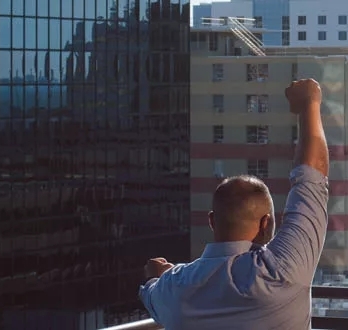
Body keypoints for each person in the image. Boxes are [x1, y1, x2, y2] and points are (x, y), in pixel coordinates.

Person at [138, 79, 331, 329]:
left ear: (211, 220)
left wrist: (159, 275)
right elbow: (311, 179)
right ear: (266, 223)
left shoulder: (174, 287)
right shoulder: (282, 270)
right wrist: (310, 102)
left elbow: (152, 289)